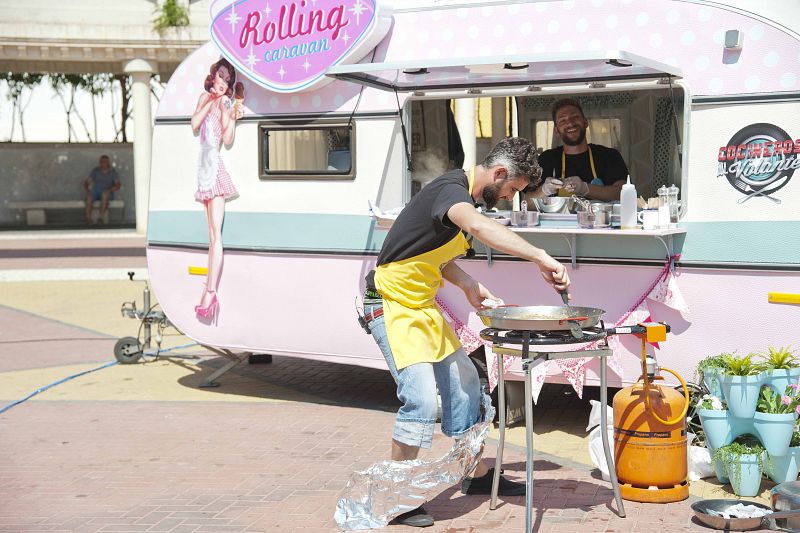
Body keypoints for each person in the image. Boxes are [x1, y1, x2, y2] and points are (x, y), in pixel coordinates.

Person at [362, 137, 570, 528]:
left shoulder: (464, 199)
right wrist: (540, 256)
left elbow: (427, 254)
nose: (509, 198)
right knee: (421, 402)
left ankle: (474, 477)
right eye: (511, 190)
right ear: (499, 173)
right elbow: (477, 225)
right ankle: (395, 497)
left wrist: (468, 284)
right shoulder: (452, 191)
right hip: (389, 303)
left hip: (420, 306)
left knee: (467, 384)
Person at [191, 57, 245, 320]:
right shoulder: (205, 98)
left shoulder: (223, 102)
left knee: (216, 235)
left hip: (214, 165)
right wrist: (212, 103)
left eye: (228, 79)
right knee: (210, 237)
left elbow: (227, 138)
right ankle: (208, 292)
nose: (223, 82)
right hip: (203, 168)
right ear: (213, 77)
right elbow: (194, 123)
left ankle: (210, 293)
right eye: (220, 76)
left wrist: (232, 112)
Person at [523, 98, 629, 203]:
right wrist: (544, 190)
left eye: (575, 117)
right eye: (563, 120)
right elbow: (527, 203)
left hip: (600, 219)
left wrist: (585, 188)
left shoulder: (609, 156)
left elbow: (623, 194)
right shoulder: (546, 159)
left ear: (585, 122)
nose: (570, 123)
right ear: (556, 131)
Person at [83, 155, 121, 225]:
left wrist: (110, 190)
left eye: (104, 162)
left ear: (108, 163)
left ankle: (100, 218)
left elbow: (118, 184)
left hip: (107, 192)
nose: (102, 163)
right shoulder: (95, 171)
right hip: (96, 191)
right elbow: (87, 182)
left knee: (104, 195)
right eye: (101, 162)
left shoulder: (112, 172)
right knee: (89, 197)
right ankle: (88, 219)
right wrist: (87, 190)